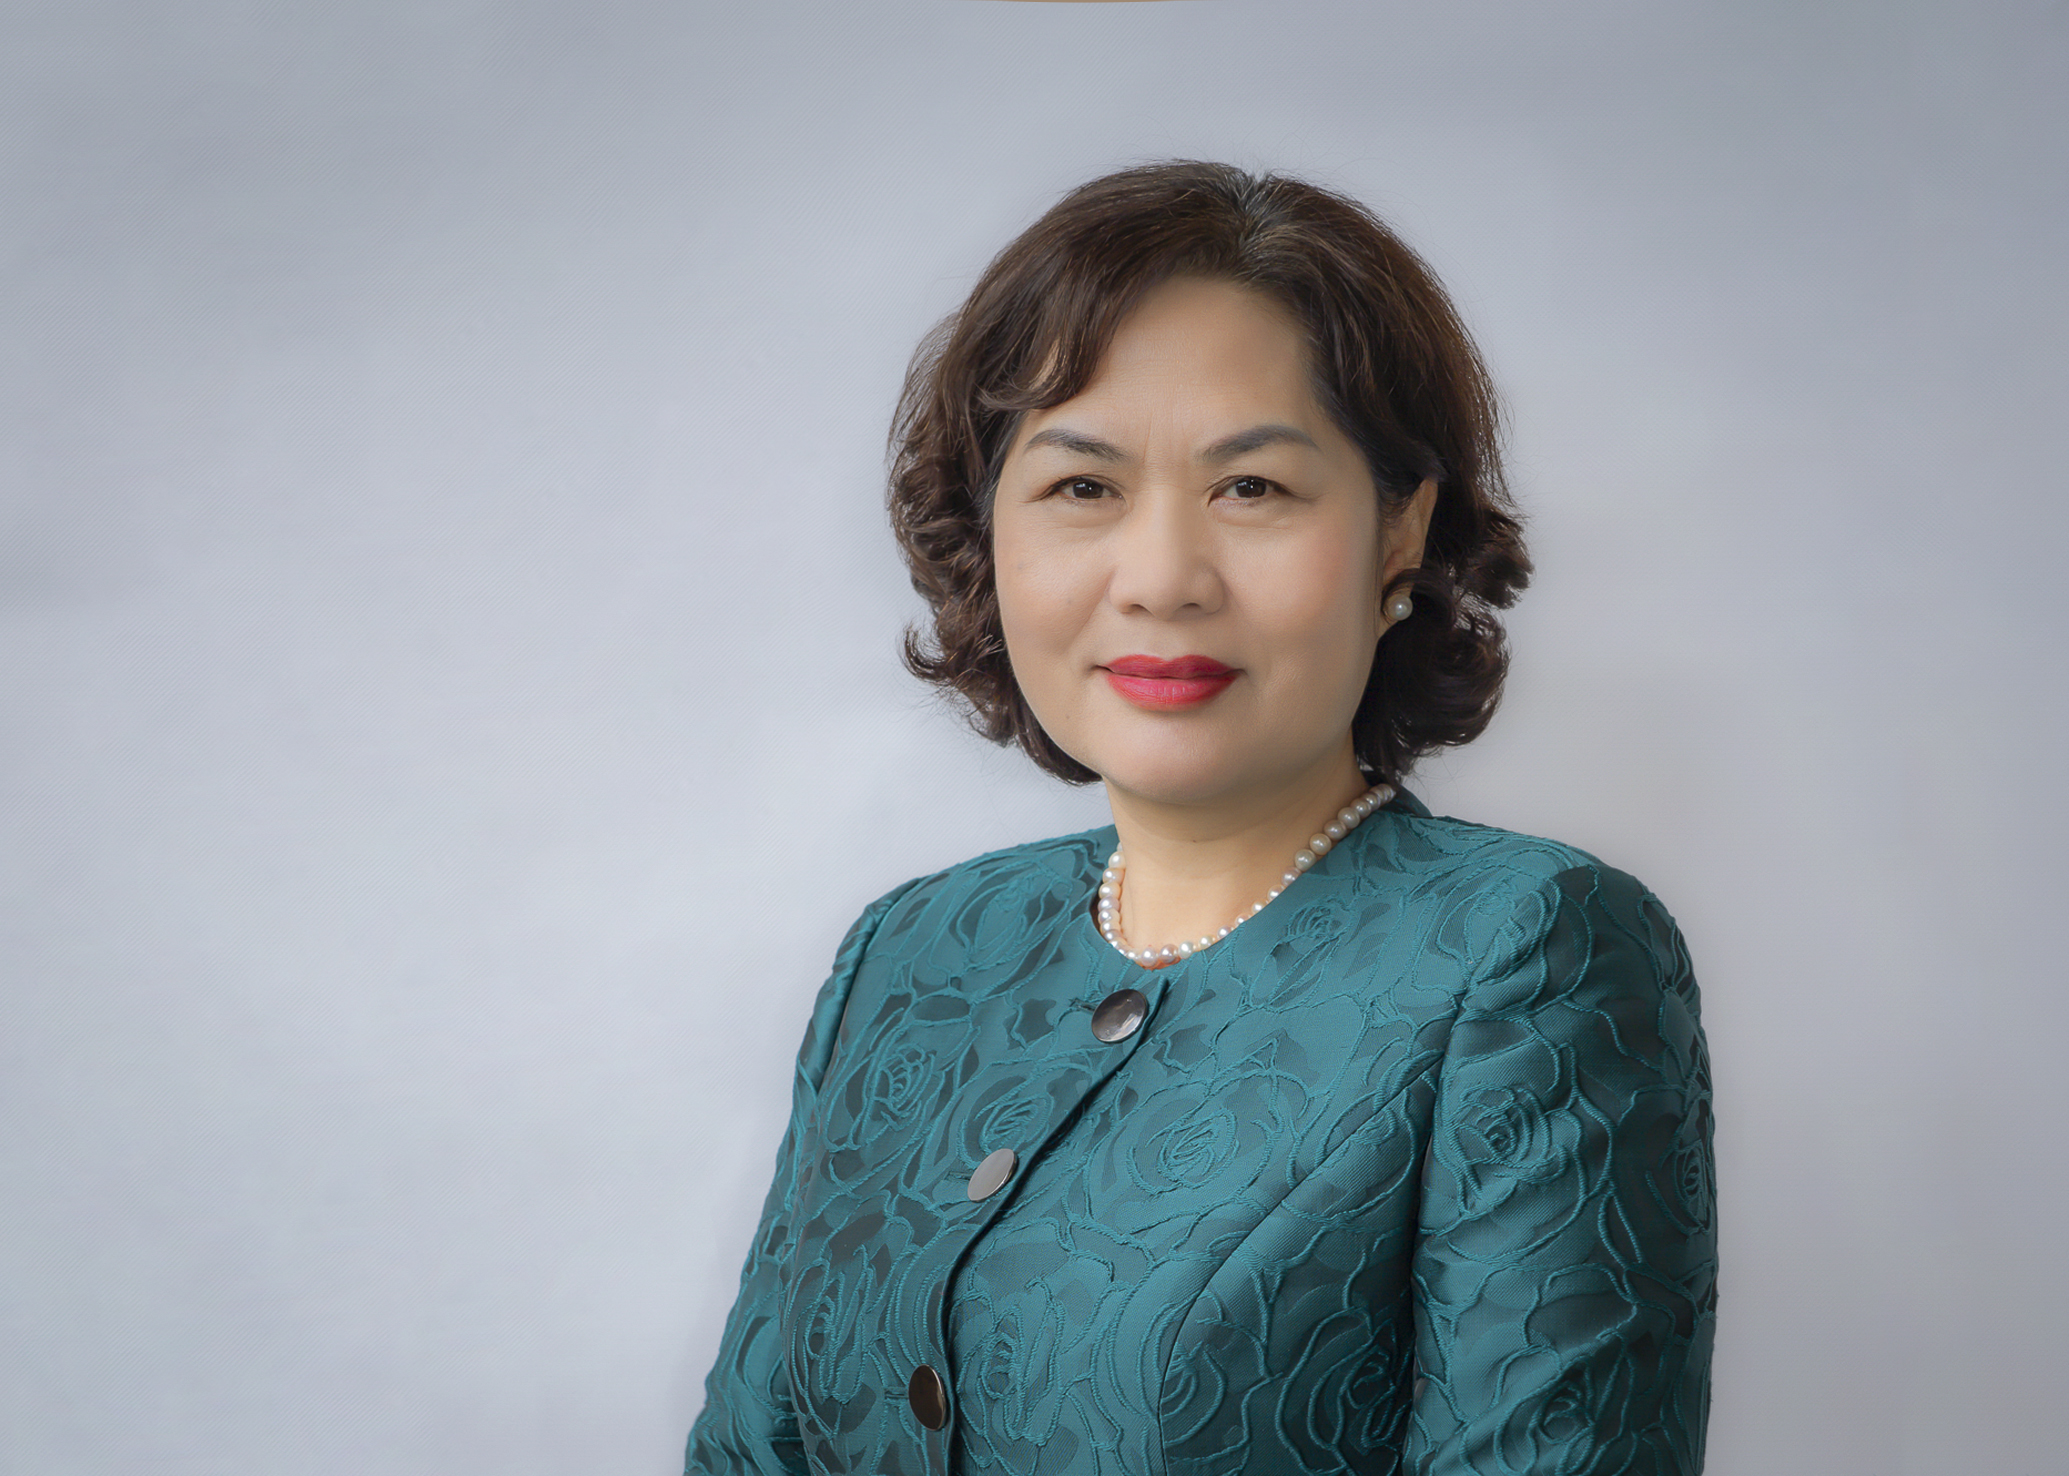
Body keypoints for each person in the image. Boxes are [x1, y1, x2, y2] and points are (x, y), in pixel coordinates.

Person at [684, 160, 1716, 1476]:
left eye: (1252, 488)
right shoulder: (914, 950)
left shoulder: (1532, 953)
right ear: (986, 534)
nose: (1163, 579)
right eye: (1081, 487)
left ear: (1400, 534)